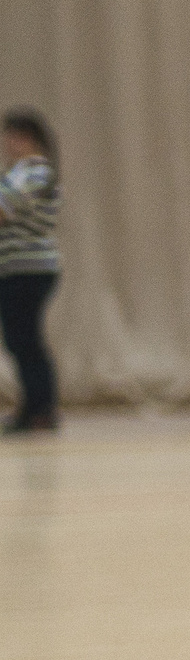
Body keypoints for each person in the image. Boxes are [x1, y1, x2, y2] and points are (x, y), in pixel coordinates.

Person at [0, 107, 61, 436]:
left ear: (28, 138)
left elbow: (4, 206)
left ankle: (40, 409)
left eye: (11, 135)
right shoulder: (22, 172)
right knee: (22, 340)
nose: (7, 143)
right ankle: (36, 406)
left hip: (29, 269)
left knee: (25, 340)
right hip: (20, 269)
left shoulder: (33, 171)